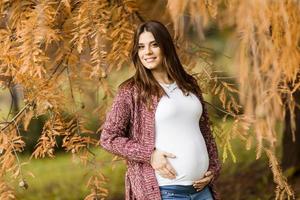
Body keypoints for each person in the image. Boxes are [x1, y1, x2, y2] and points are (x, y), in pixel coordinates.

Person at [100, 20, 221, 200]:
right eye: (141, 47)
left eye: (154, 45)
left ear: (166, 47)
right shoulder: (131, 91)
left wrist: (213, 168)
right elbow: (109, 138)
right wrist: (149, 155)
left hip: (202, 191)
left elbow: (204, 131)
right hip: (165, 192)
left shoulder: (189, 84)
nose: (147, 52)